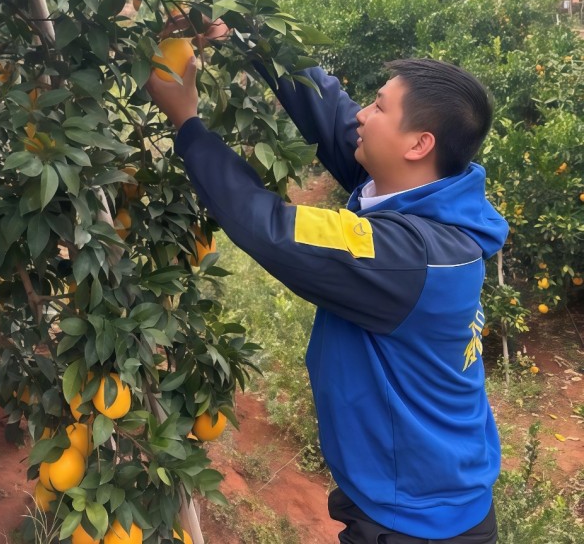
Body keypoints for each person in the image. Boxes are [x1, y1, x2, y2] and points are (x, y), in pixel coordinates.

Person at [146, 47, 506, 543]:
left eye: (379, 107)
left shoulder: (406, 258)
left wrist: (187, 122)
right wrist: (253, 36)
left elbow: (271, 227)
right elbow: (334, 116)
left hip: (420, 524)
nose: (363, 113)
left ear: (420, 144)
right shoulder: (421, 192)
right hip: (421, 495)